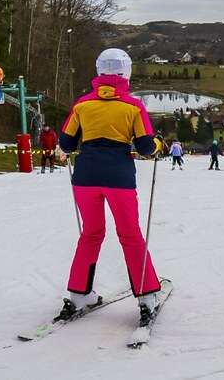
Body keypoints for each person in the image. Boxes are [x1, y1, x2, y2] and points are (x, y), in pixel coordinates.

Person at [56, 48, 164, 329]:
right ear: (126, 72)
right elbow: (144, 147)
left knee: (90, 234)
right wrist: (158, 145)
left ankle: (78, 295)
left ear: (98, 71)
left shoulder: (82, 105)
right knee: (130, 235)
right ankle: (147, 296)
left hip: (86, 177)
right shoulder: (133, 106)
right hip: (119, 178)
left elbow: (66, 144)